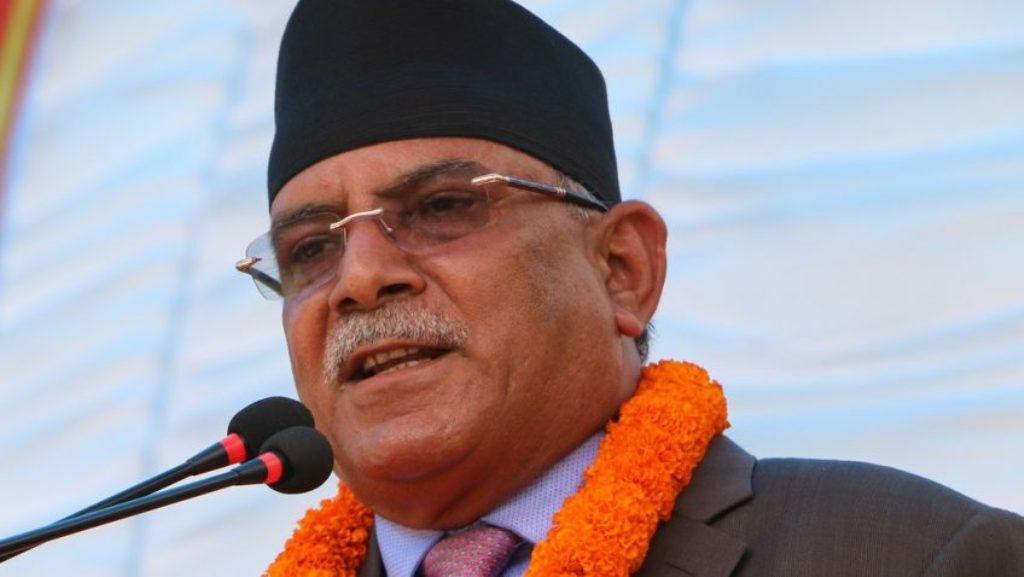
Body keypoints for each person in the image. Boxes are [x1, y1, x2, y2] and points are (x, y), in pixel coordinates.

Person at [234, 1, 1024, 575]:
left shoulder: (905, 555)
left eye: (441, 207)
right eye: (311, 248)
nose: (360, 278)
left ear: (622, 268)